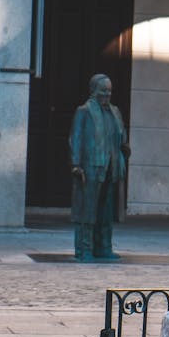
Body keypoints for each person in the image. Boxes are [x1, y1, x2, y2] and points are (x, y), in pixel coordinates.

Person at [70, 74, 130, 262]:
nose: (107, 94)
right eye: (103, 90)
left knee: (106, 212)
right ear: (93, 90)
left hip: (111, 168)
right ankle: (84, 250)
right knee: (87, 212)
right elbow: (76, 138)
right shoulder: (84, 111)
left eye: (109, 91)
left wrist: (124, 151)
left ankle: (104, 247)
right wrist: (76, 164)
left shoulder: (115, 111)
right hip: (91, 168)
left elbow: (122, 138)